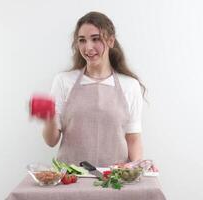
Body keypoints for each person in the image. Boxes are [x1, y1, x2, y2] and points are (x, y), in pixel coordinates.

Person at [41, 11, 146, 167]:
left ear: (111, 41)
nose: (88, 47)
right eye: (82, 40)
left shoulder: (130, 85)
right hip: (71, 179)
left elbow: (133, 138)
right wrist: (48, 115)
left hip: (114, 179)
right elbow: (51, 141)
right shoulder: (63, 81)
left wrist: (136, 167)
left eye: (95, 39)